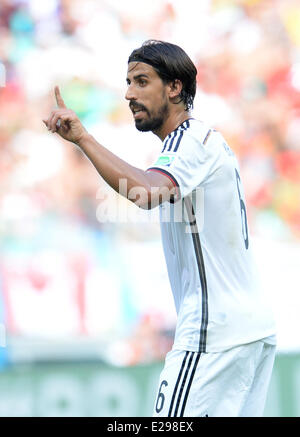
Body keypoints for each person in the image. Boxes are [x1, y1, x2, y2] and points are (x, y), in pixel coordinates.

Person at [43, 39, 276, 417]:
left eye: (141, 81)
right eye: (128, 82)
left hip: (213, 333)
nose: (129, 93)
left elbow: (144, 193)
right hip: (248, 332)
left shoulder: (190, 141)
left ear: (174, 87)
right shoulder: (196, 145)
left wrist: (83, 139)